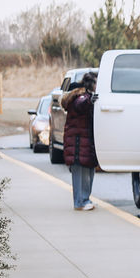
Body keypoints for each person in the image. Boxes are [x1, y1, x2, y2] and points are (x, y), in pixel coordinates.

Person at [61, 72, 98, 211]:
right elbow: (81, 105)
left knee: (88, 173)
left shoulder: (84, 97)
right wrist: (90, 101)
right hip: (78, 143)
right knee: (81, 174)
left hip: (84, 142)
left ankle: (85, 199)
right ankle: (79, 202)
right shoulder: (80, 98)